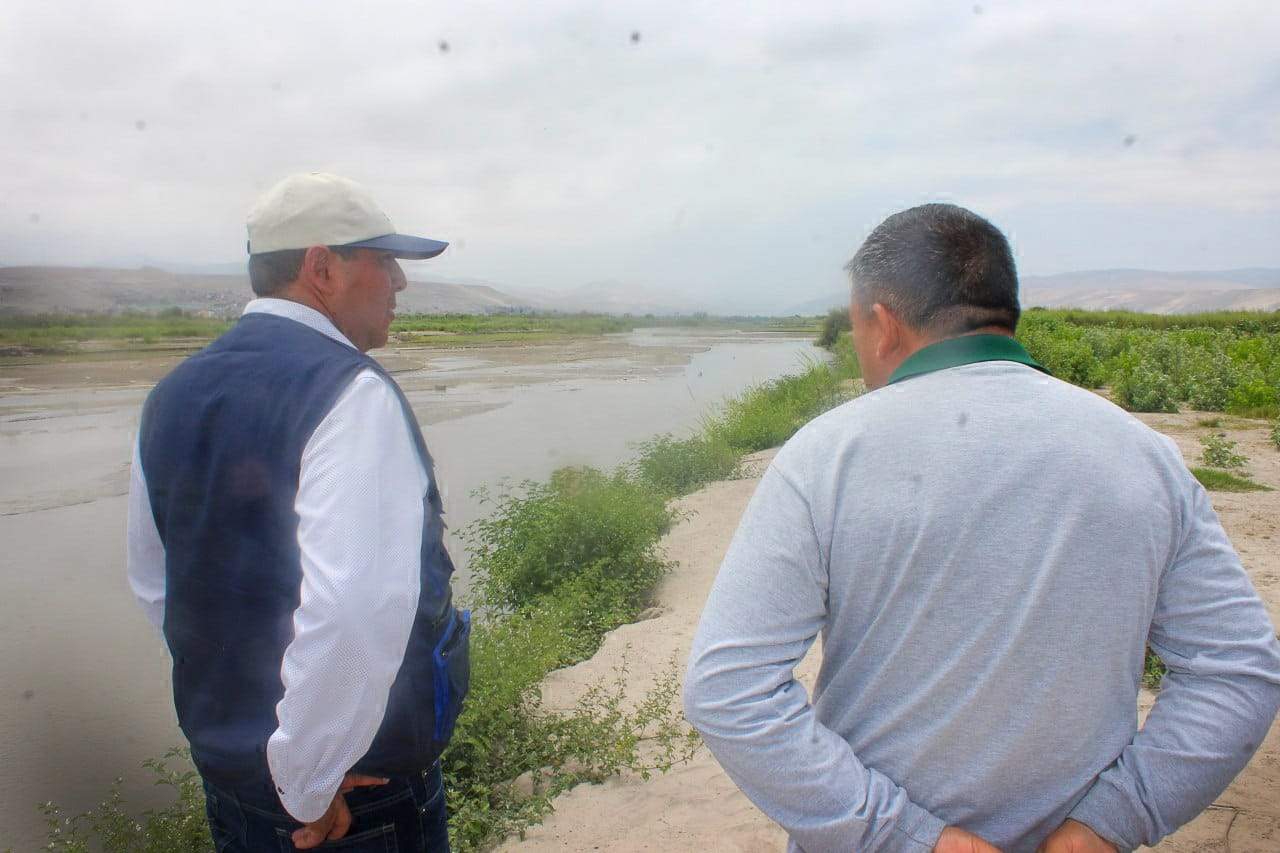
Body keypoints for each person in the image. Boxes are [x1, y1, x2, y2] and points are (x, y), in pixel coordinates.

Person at [683, 203, 1280, 853]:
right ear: (1004, 310)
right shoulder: (1143, 453)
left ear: (882, 323)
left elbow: (728, 688)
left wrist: (906, 835)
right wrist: (1111, 822)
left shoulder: (826, 455)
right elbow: (1239, 671)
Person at [127, 172, 471, 851]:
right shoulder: (349, 391)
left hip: (236, 779)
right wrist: (309, 781)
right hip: (348, 802)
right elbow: (355, 606)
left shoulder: (172, 392)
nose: (399, 283)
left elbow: (158, 586)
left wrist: (254, 739)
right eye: (383, 261)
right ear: (322, 267)